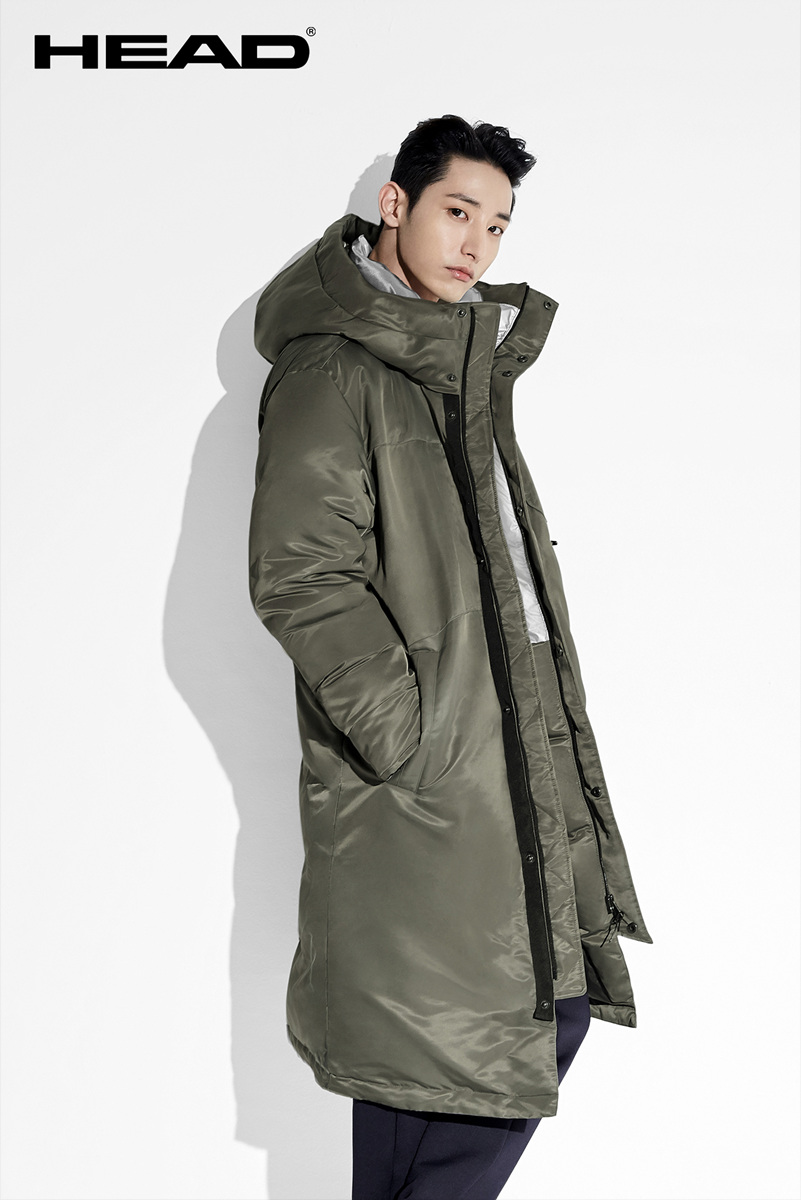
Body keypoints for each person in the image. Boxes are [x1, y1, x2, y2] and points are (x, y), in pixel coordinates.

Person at [248, 115, 653, 1199]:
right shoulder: (335, 370)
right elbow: (300, 574)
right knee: (434, 1055)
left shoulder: (459, 369)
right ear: (397, 204)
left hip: (510, 746)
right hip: (430, 773)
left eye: (499, 225)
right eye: (457, 211)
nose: (477, 243)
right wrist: (415, 733)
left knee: (523, 1017)